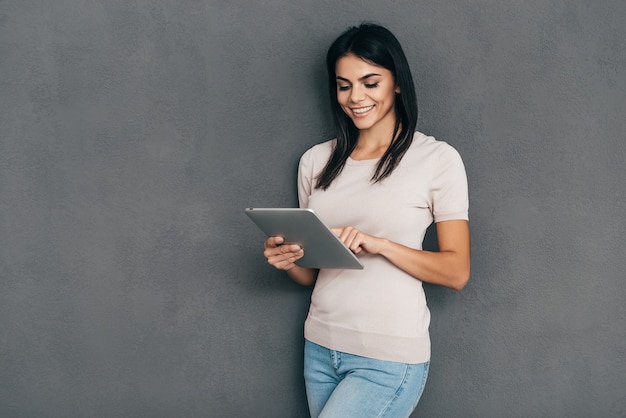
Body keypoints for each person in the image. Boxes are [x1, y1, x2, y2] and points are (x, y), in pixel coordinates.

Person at [263, 23, 470, 418]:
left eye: (370, 82)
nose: (355, 97)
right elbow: (312, 274)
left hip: (387, 358)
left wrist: (381, 244)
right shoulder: (316, 162)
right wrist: (288, 259)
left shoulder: (437, 159)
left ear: (396, 83)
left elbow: (456, 271)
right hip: (321, 349)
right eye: (344, 86)